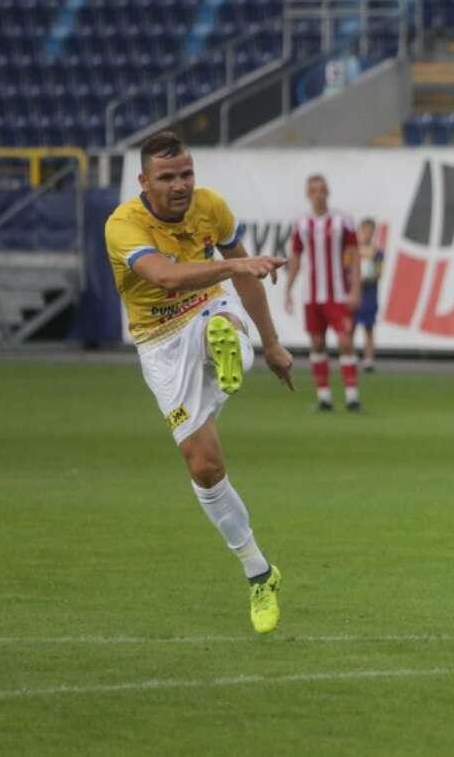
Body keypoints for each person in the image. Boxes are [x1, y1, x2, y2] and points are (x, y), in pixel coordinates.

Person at [103, 131, 293, 634]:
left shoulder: (212, 207)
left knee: (219, 327)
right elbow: (164, 277)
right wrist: (234, 263)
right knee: (204, 468)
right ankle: (259, 572)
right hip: (159, 342)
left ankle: (228, 347)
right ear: (144, 181)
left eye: (187, 173)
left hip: (209, 306)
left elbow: (245, 278)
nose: (181, 185)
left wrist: (273, 344)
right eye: (167, 177)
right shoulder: (123, 225)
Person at [283, 174, 361, 412]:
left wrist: (355, 289)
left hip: (338, 294)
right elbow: (296, 257)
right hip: (312, 295)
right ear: (308, 194)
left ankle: (352, 397)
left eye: (322, 190)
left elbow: (354, 256)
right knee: (317, 343)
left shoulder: (342, 221)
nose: (319, 194)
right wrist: (288, 289)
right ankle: (324, 397)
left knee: (345, 341)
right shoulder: (302, 224)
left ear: (328, 192)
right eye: (314, 190)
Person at [354, 218, 385, 373]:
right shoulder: (353, 251)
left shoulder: (378, 252)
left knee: (369, 328)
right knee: (349, 327)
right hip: (354, 294)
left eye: (370, 232)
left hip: (369, 295)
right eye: (364, 231)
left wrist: (368, 277)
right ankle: (349, 357)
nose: (367, 234)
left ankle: (369, 359)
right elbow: (346, 269)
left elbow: (379, 273)